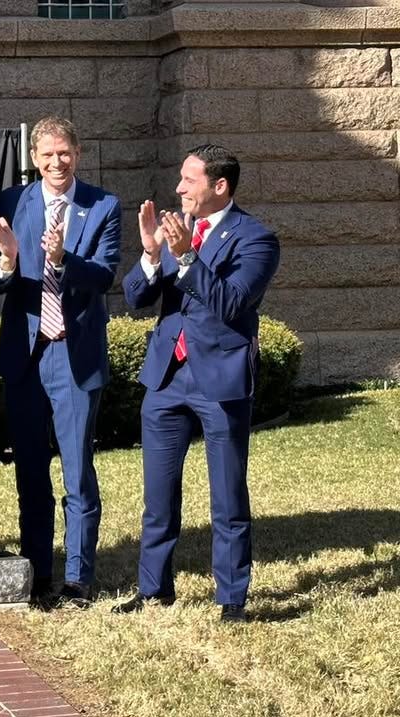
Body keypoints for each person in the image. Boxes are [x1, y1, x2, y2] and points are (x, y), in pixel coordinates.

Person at [114, 145, 280, 623]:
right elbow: (135, 298)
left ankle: (231, 599)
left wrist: (186, 255)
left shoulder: (257, 239)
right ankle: (153, 590)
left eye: (189, 180)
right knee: (158, 496)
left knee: (228, 497)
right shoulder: (175, 230)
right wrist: (151, 254)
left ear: (219, 186)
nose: (179, 188)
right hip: (167, 377)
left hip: (220, 379)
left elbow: (231, 303)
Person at [0, 117, 122, 607]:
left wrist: (62, 259)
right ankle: (38, 571)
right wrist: (6, 261)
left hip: (73, 354)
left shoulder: (103, 205)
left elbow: (104, 276)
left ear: (77, 154)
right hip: (26, 355)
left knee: (77, 471)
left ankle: (78, 578)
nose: (56, 162)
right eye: (47, 154)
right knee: (29, 469)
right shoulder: (11, 202)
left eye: (64, 153)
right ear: (34, 159)